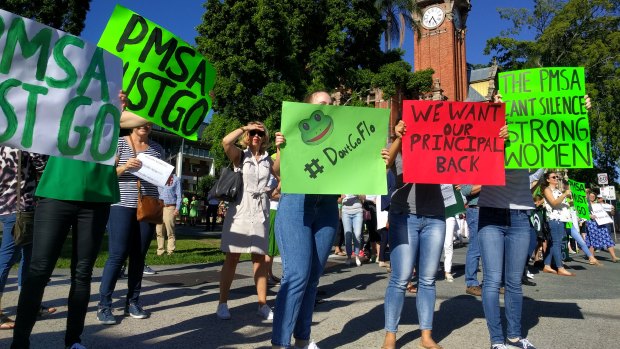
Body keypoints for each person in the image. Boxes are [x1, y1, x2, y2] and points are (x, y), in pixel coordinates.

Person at [10, 94, 141, 349]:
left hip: (96, 197)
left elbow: (144, 117)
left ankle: (73, 341)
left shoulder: (113, 116)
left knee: (82, 274)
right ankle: (20, 342)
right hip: (57, 192)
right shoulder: (65, 106)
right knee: (39, 271)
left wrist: (120, 107)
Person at [271, 91, 338, 349]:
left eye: (331, 104)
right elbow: (277, 172)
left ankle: (302, 339)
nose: (328, 107)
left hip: (328, 206)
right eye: (322, 104)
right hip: (297, 203)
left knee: (312, 278)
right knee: (296, 275)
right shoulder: (295, 132)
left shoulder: (340, 134)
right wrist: (281, 150)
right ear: (308, 108)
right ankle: (280, 343)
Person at [381, 120, 446, 349]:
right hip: (404, 215)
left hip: (435, 216)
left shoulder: (440, 143)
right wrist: (399, 138)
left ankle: (426, 336)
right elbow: (385, 165)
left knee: (427, 280)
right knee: (401, 278)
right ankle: (390, 335)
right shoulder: (396, 144)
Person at [96, 122, 164, 324]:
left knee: (139, 257)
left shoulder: (158, 149)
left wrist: (165, 179)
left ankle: (132, 302)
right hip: (122, 204)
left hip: (147, 206)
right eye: (140, 122)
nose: (144, 125)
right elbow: (105, 175)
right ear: (132, 125)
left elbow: (159, 179)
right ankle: (104, 304)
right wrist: (125, 166)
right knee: (117, 255)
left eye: (148, 122)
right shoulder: (119, 144)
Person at [216, 121, 277, 321]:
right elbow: (225, 142)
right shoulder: (241, 156)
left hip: (260, 211)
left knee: (259, 258)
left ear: (264, 137)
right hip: (241, 211)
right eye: (252, 132)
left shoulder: (269, 159)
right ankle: (222, 303)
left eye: (260, 132)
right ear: (247, 136)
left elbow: (281, 174)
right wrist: (243, 128)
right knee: (232, 257)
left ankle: (262, 304)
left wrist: (274, 189)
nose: (256, 135)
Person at [0, 147, 55, 330]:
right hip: (20, 207)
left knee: (28, 256)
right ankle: (28, 305)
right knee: (7, 259)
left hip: (7, 205)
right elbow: (43, 165)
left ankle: (30, 304)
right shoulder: (26, 141)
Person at [540, 171, 575, 276]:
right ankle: (560, 267)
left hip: (561, 219)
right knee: (557, 243)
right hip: (555, 220)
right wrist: (564, 194)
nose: (556, 178)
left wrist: (571, 201)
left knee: (552, 243)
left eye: (557, 176)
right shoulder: (547, 189)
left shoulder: (558, 191)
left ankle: (547, 265)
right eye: (553, 177)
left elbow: (562, 203)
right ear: (548, 179)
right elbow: (554, 203)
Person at [585, 192, 618, 262]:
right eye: (591, 196)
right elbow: (581, 214)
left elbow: (612, 213)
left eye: (593, 196)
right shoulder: (585, 205)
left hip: (601, 224)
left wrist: (612, 209)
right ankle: (592, 258)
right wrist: (589, 216)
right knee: (592, 240)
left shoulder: (600, 205)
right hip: (591, 224)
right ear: (588, 197)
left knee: (607, 238)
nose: (592, 197)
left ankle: (614, 257)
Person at [156, 173, 182, 256]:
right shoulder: (160, 178)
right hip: (160, 207)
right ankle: (160, 251)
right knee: (159, 231)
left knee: (170, 231)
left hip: (170, 207)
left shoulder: (176, 179)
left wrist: (177, 208)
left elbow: (179, 195)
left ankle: (170, 251)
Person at [340, 194, 365, 266]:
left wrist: (357, 194)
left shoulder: (357, 184)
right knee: (348, 235)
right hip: (346, 212)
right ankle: (348, 257)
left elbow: (364, 197)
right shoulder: (341, 184)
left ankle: (356, 256)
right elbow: (338, 201)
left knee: (357, 234)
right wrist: (341, 198)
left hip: (358, 211)